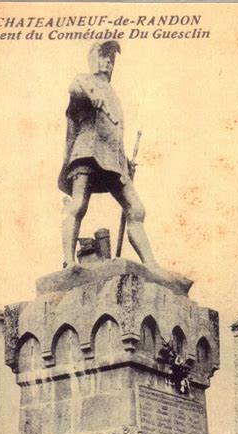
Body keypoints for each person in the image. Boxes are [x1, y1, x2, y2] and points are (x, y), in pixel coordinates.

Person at [58, 41, 158, 270]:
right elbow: (75, 86)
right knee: (78, 205)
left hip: (113, 160)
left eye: (111, 59)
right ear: (94, 59)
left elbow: (114, 134)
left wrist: (125, 161)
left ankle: (151, 265)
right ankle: (69, 260)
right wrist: (91, 93)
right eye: (104, 57)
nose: (108, 62)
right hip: (86, 151)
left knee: (137, 209)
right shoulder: (84, 80)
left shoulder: (114, 96)